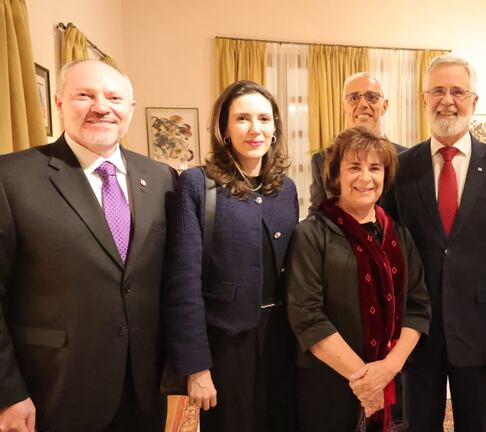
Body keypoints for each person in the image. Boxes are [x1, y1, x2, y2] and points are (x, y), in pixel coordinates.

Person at [0, 59, 175, 432]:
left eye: (114, 97)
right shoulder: (11, 178)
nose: (101, 107)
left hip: (143, 388)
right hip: (54, 389)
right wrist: (7, 393)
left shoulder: (161, 179)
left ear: (130, 107)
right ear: (60, 104)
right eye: (85, 95)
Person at [381, 54, 486, 431]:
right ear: (423, 98)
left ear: (474, 101)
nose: (448, 100)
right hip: (418, 331)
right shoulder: (401, 166)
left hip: (479, 331)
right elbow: (387, 252)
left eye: (458, 91)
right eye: (438, 91)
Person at [164, 80, 298, 431]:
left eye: (264, 119)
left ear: (275, 128)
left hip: (283, 339)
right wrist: (196, 366)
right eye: (242, 119)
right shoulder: (198, 184)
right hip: (227, 344)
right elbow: (183, 281)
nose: (255, 129)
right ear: (224, 128)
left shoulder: (285, 189)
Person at [287, 126, 431, 432]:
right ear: (336, 175)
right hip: (328, 384)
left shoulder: (399, 235)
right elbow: (307, 317)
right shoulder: (311, 234)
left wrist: (386, 372)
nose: (366, 178)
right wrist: (365, 381)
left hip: (392, 382)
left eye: (375, 168)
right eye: (354, 167)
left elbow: (418, 309)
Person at [308, 73, 407, 215]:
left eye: (371, 98)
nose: (362, 104)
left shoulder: (406, 158)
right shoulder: (323, 159)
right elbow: (318, 213)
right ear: (344, 108)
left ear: (384, 106)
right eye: (353, 98)